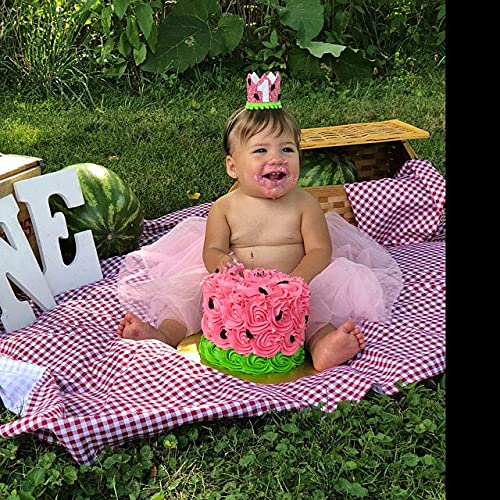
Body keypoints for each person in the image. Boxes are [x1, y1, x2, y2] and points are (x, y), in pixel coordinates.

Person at [116, 74, 403, 372]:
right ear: (232, 166)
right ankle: (164, 334)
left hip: (294, 284)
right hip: (236, 291)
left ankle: (322, 346)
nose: (276, 159)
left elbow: (320, 251)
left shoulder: (305, 205)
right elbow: (212, 249)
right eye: (261, 150)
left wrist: (297, 281)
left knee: (314, 310)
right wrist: (221, 265)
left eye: (287, 149)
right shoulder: (225, 208)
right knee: (188, 298)